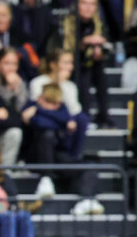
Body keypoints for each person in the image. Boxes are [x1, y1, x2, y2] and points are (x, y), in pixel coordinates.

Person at [23, 83, 100, 213]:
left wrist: (41, 111)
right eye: (48, 101)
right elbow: (40, 123)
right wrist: (59, 121)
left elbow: (66, 119)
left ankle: (85, 200)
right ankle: (46, 178)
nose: (51, 106)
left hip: (57, 157)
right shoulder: (30, 106)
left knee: (89, 168)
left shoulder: (59, 109)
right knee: (47, 135)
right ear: (40, 98)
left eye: (55, 103)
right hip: (34, 157)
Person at [57, 0, 114, 127]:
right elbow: (61, 50)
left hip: (93, 64)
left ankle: (104, 115)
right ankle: (84, 114)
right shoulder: (65, 23)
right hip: (71, 65)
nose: (88, 7)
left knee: (99, 69)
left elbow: (108, 46)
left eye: (92, 4)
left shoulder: (99, 24)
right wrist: (83, 44)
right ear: (76, 4)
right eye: (84, 3)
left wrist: (100, 51)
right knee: (84, 75)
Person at [0, 47, 29, 113]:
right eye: (7, 63)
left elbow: (21, 110)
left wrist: (16, 89)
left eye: (15, 64)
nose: (11, 68)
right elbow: (1, 108)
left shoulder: (19, 81)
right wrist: (9, 88)